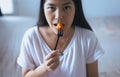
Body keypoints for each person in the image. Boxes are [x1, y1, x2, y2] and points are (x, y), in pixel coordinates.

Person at [17, 0, 104, 77]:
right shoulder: (31, 37)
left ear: (76, 9)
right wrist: (44, 68)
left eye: (66, 7)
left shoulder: (88, 38)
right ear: (43, 8)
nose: (58, 16)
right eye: (51, 7)